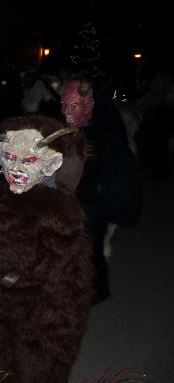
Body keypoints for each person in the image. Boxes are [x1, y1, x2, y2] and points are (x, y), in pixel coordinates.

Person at [0, 116, 93, 382]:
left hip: (38, 318)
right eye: (10, 158)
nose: (15, 167)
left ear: (50, 163)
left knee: (34, 372)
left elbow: (71, 284)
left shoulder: (62, 214)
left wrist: (59, 336)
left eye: (27, 160)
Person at [60, 77, 141, 304]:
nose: (66, 111)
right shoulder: (67, 126)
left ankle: (95, 288)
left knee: (90, 237)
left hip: (96, 195)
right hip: (73, 191)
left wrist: (97, 200)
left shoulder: (106, 130)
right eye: (64, 105)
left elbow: (115, 170)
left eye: (72, 106)